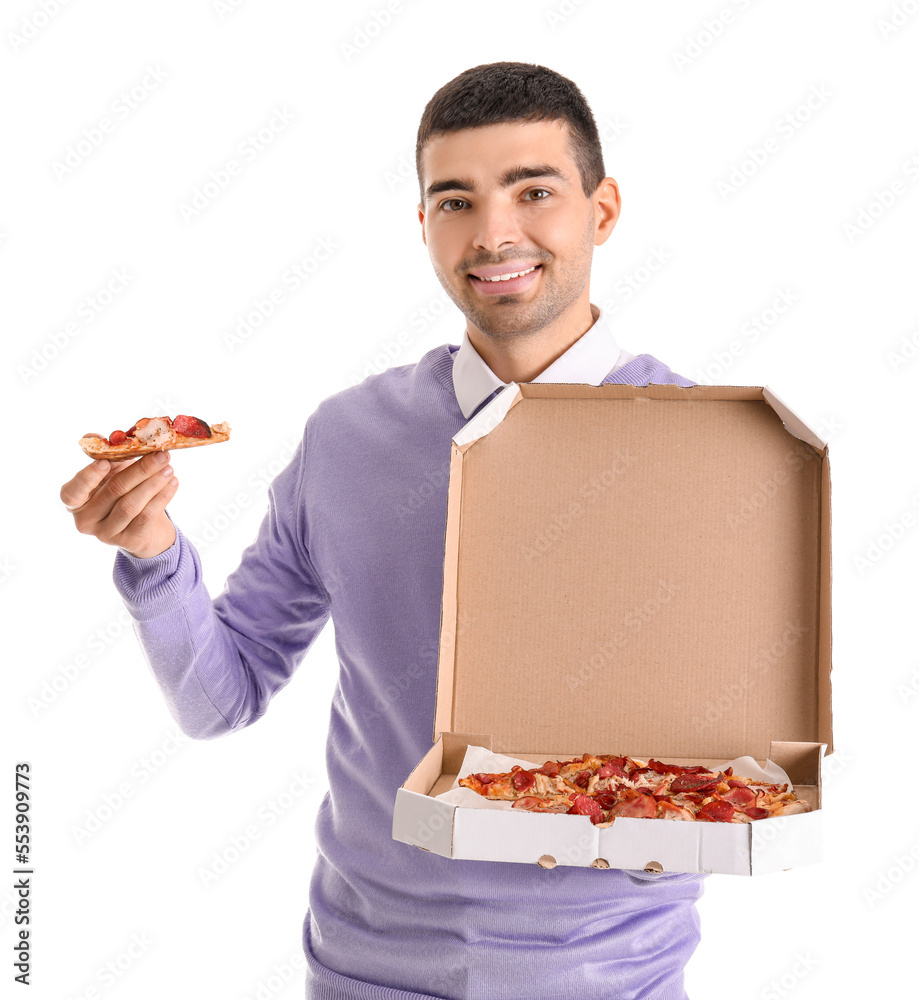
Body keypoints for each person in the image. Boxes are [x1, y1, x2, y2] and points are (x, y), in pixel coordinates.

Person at [60, 62, 703, 1000]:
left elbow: (737, 770)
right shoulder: (346, 439)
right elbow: (218, 700)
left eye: (534, 192)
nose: (494, 235)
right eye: (456, 200)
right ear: (424, 225)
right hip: (363, 973)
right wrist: (154, 554)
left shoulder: (708, 443)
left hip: (608, 981)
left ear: (601, 211)